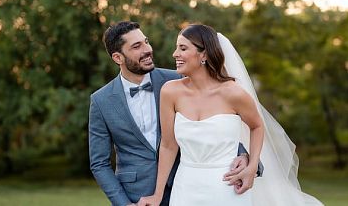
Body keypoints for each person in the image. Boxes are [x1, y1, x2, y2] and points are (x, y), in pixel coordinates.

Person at [138, 24, 324, 206]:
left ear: (204, 54)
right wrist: (157, 194)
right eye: (177, 47)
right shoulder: (170, 92)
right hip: (185, 186)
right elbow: (169, 145)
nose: (175, 54)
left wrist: (251, 166)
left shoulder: (233, 93)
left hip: (227, 186)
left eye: (183, 48)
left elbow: (257, 125)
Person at [88, 21, 260, 206]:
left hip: (187, 183)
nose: (148, 49)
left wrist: (245, 157)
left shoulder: (180, 79)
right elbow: (99, 163)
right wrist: (123, 203)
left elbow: (216, 124)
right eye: (137, 46)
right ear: (117, 57)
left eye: (146, 41)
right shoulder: (101, 101)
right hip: (138, 195)